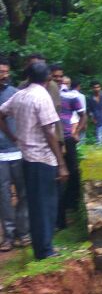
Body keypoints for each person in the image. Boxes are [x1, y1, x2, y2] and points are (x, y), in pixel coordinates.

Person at [0, 62, 65, 260]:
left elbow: (1, 113)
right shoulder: (42, 96)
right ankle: (45, 250)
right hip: (42, 159)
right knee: (46, 206)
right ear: (47, 79)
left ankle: (42, 249)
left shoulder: (19, 94)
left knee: (36, 205)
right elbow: (48, 130)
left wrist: (12, 136)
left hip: (26, 157)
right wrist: (61, 163)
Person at [0, 58, 28, 252]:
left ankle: (23, 232)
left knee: (23, 193)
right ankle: (8, 236)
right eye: (1, 71)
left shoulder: (16, 94)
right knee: (3, 196)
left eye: (6, 72)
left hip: (18, 151)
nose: (4, 75)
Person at [57, 76, 86, 228]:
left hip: (68, 139)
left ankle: (71, 206)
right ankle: (59, 217)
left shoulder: (73, 97)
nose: (63, 85)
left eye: (66, 82)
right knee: (58, 176)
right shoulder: (47, 95)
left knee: (72, 172)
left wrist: (76, 133)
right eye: (61, 82)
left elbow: (83, 116)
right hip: (53, 140)